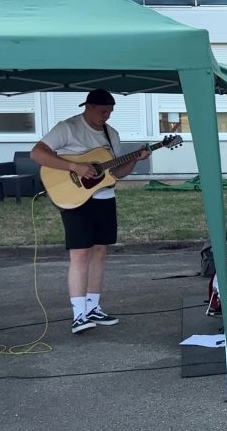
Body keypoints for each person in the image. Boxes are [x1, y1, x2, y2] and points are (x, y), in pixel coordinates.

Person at [30, 89, 149, 334]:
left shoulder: (111, 134)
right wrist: (75, 166)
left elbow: (115, 174)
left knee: (100, 253)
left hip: (104, 198)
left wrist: (136, 159)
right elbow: (37, 153)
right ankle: (78, 314)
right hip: (75, 199)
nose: (106, 116)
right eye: (103, 111)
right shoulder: (68, 127)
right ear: (89, 107)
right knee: (80, 255)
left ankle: (94, 307)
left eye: (110, 112)